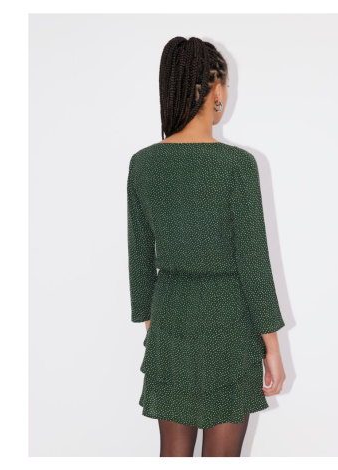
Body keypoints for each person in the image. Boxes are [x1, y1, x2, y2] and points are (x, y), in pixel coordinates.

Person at [127, 36, 286, 457]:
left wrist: (154, 325)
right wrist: (272, 347)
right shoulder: (237, 165)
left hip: (170, 319)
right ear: (215, 89)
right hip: (230, 326)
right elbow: (254, 262)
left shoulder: (143, 163)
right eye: (226, 85)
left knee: (173, 453)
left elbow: (139, 255)